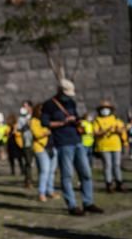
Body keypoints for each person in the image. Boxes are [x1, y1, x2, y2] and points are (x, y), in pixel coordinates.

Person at [41, 79, 103, 216]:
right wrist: (62, 122)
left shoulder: (71, 102)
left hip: (77, 140)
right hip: (63, 143)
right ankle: (72, 206)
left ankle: (88, 202)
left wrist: (77, 121)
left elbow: (75, 117)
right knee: (67, 175)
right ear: (59, 91)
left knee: (86, 173)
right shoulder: (49, 105)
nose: (68, 96)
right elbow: (45, 123)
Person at [93, 100, 127, 193]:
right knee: (108, 165)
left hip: (116, 145)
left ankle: (119, 183)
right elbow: (95, 133)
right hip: (103, 146)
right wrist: (105, 130)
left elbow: (121, 129)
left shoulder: (115, 118)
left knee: (117, 165)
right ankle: (109, 184)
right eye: (103, 108)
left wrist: (118, 130)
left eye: (107, 108)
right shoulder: (97, 120)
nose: (105, 110)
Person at [30, 103, 60, 202]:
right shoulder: (34, 121)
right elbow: (37, 134)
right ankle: (41, 193)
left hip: (52, 147)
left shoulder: (50, 120)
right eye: (41, 110)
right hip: (41, 148)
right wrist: (47, 132)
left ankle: (50, 191)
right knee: (45, 171)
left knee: (52, 171)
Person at [16, 102, 34, 188]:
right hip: (27, 142)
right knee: (28, 162)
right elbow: (19, 129)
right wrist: (26, 124)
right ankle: (28, 181)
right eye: (23, 106)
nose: (24, 108)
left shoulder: (35, 116)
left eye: (25, 106)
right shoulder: (21, 118)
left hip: (37, 142)